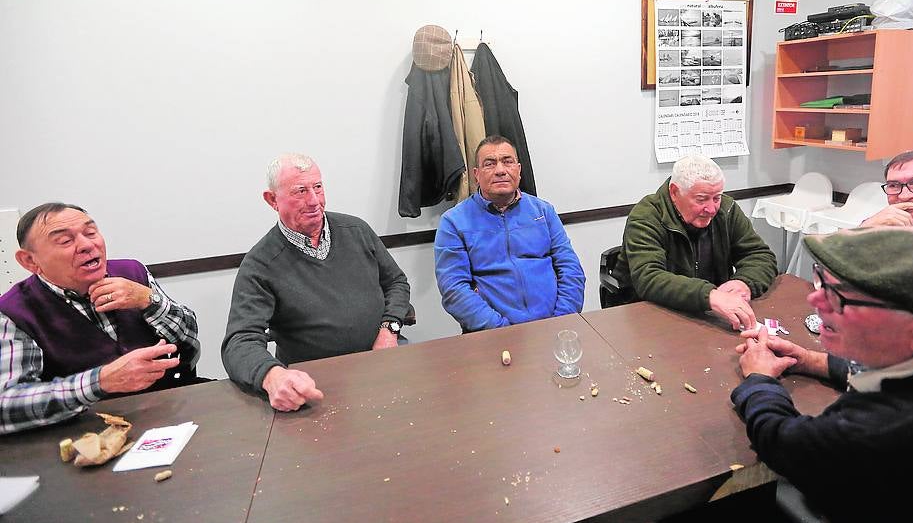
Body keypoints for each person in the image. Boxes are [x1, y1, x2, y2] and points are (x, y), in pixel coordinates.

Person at [733, 227, 913, 523]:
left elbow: (781, 443)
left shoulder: (877, 431)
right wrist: (811, 360)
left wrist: (759, 380)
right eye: (821, 281)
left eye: (842, 297)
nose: (816, 301)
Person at [222, 154, 411, 412]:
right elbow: (239, 341)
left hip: (381, 358)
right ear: (272, 200)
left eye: (318, 188)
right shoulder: (261, 265)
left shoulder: (356, 231)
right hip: (316, 382)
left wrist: (389, 330)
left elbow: (397, 283)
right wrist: (273, 376)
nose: (314, 201)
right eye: (300, 191)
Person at [0, 203, 200, 435]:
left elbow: (190, 342)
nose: (86, 245)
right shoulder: (14, 311)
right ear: (29, 261)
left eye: (90, 232)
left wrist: (149, 300)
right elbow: (6, 405)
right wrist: (100, 381)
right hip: (88, 431)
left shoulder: (132, 271)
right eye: (65, 241)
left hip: (170, 408)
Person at [434, 136, 584, 331]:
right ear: (476, 174)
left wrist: (562, 319)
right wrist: (501, 329)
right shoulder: (453, 222)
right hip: (493, 333)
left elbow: (570, 268)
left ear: (519, 170)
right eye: (490, 164)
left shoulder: (543, 211)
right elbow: (454, 289)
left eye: (507, 162)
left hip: (554, 326)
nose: (500, 170)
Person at [615, 154, 777, 330]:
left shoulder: (727, 210)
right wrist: (710, 296)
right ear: (675, 192)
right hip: (652, 317)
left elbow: (759, 255)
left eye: (717, 198)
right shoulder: (646, 216)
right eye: (701, 199)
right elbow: (649, 278)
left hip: (709, 316)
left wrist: (744, 283)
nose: (711, 209)